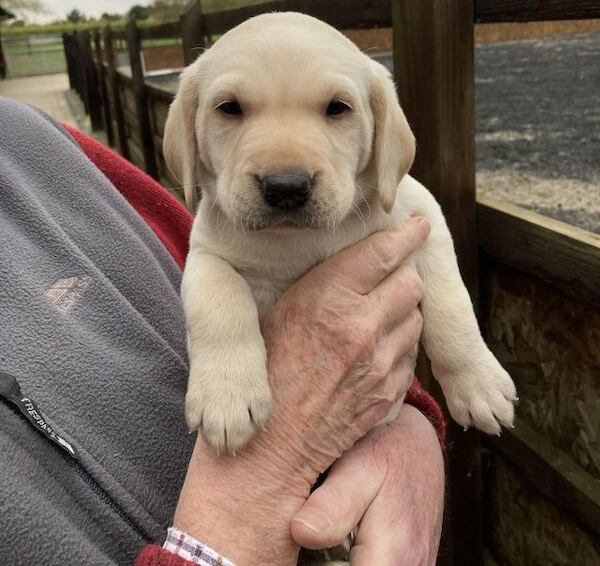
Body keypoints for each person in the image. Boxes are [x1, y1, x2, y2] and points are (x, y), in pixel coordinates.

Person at [0, 98, 445, 566]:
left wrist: (404, 432)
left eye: (335, 108)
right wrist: (245, 508)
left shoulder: (30, 139)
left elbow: (285, 303)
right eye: (231, 109)